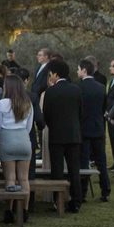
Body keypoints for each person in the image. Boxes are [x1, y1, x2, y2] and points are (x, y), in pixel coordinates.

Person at [42, 58, 83, 212]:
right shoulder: (77, 90)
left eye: (50, 74)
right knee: (74, 169)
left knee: (57, 170)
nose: (50, 76)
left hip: (56, 136)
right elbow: (81, 113)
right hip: (73, 135)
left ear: (56, 74)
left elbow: (46, 115)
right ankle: (76, 201)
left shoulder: (50, 92)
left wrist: (54, 126)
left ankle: (58, 201)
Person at [0, 75, 33, 222]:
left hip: (7, 139)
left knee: (10, 178)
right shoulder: (27, 102)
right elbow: (29, 126)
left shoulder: (2, 103)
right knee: (24, 178)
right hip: (24, 139)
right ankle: (25, 210)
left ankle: (9, 211)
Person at [77, 59, 111, 202]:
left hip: (83, 129)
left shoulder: (78, 88)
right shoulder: (101, 87)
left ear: (84, 70)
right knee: (101, 160)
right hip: (98, 128)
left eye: (78, 69)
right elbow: (104, 108)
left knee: (83, 162)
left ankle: (83, 192)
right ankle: (105, 190)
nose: (77, 71)